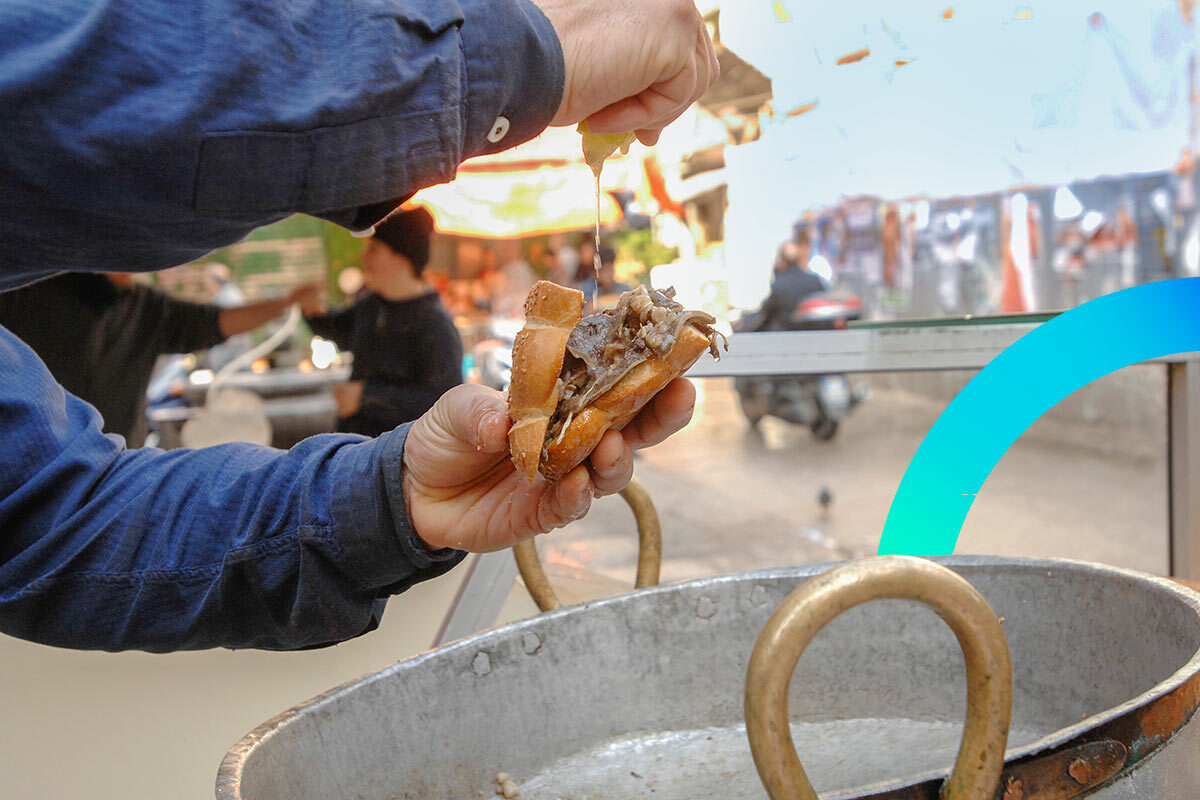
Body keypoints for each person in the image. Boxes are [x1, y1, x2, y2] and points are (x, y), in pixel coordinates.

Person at [0, 0, 718, 652]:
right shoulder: (368, 310)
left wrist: (396, 498)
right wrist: (524, 56)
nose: (365, 246)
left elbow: (53, 520)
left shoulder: (430, 324)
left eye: (374, 242)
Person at [0, 271, 320, 448]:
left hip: (111, 470)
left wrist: (286, 303)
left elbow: (216, 323)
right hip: (31, 459)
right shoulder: (31, 287)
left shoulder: (146, 307)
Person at [304, 207, 465, 437]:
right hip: (357, 448)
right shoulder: (372, 305)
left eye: (375, 249)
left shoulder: (434, 324)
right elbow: (341, 331)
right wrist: (312, 311)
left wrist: (366, 397)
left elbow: (445, 400)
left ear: (401, 258)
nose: (365, 257)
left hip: (401, 460)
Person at [749, 233, 828, 332]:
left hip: (787, 339)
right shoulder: (815, 281)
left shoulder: (779, 286)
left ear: (782, 261)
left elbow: (763, 318)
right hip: (816, 337)